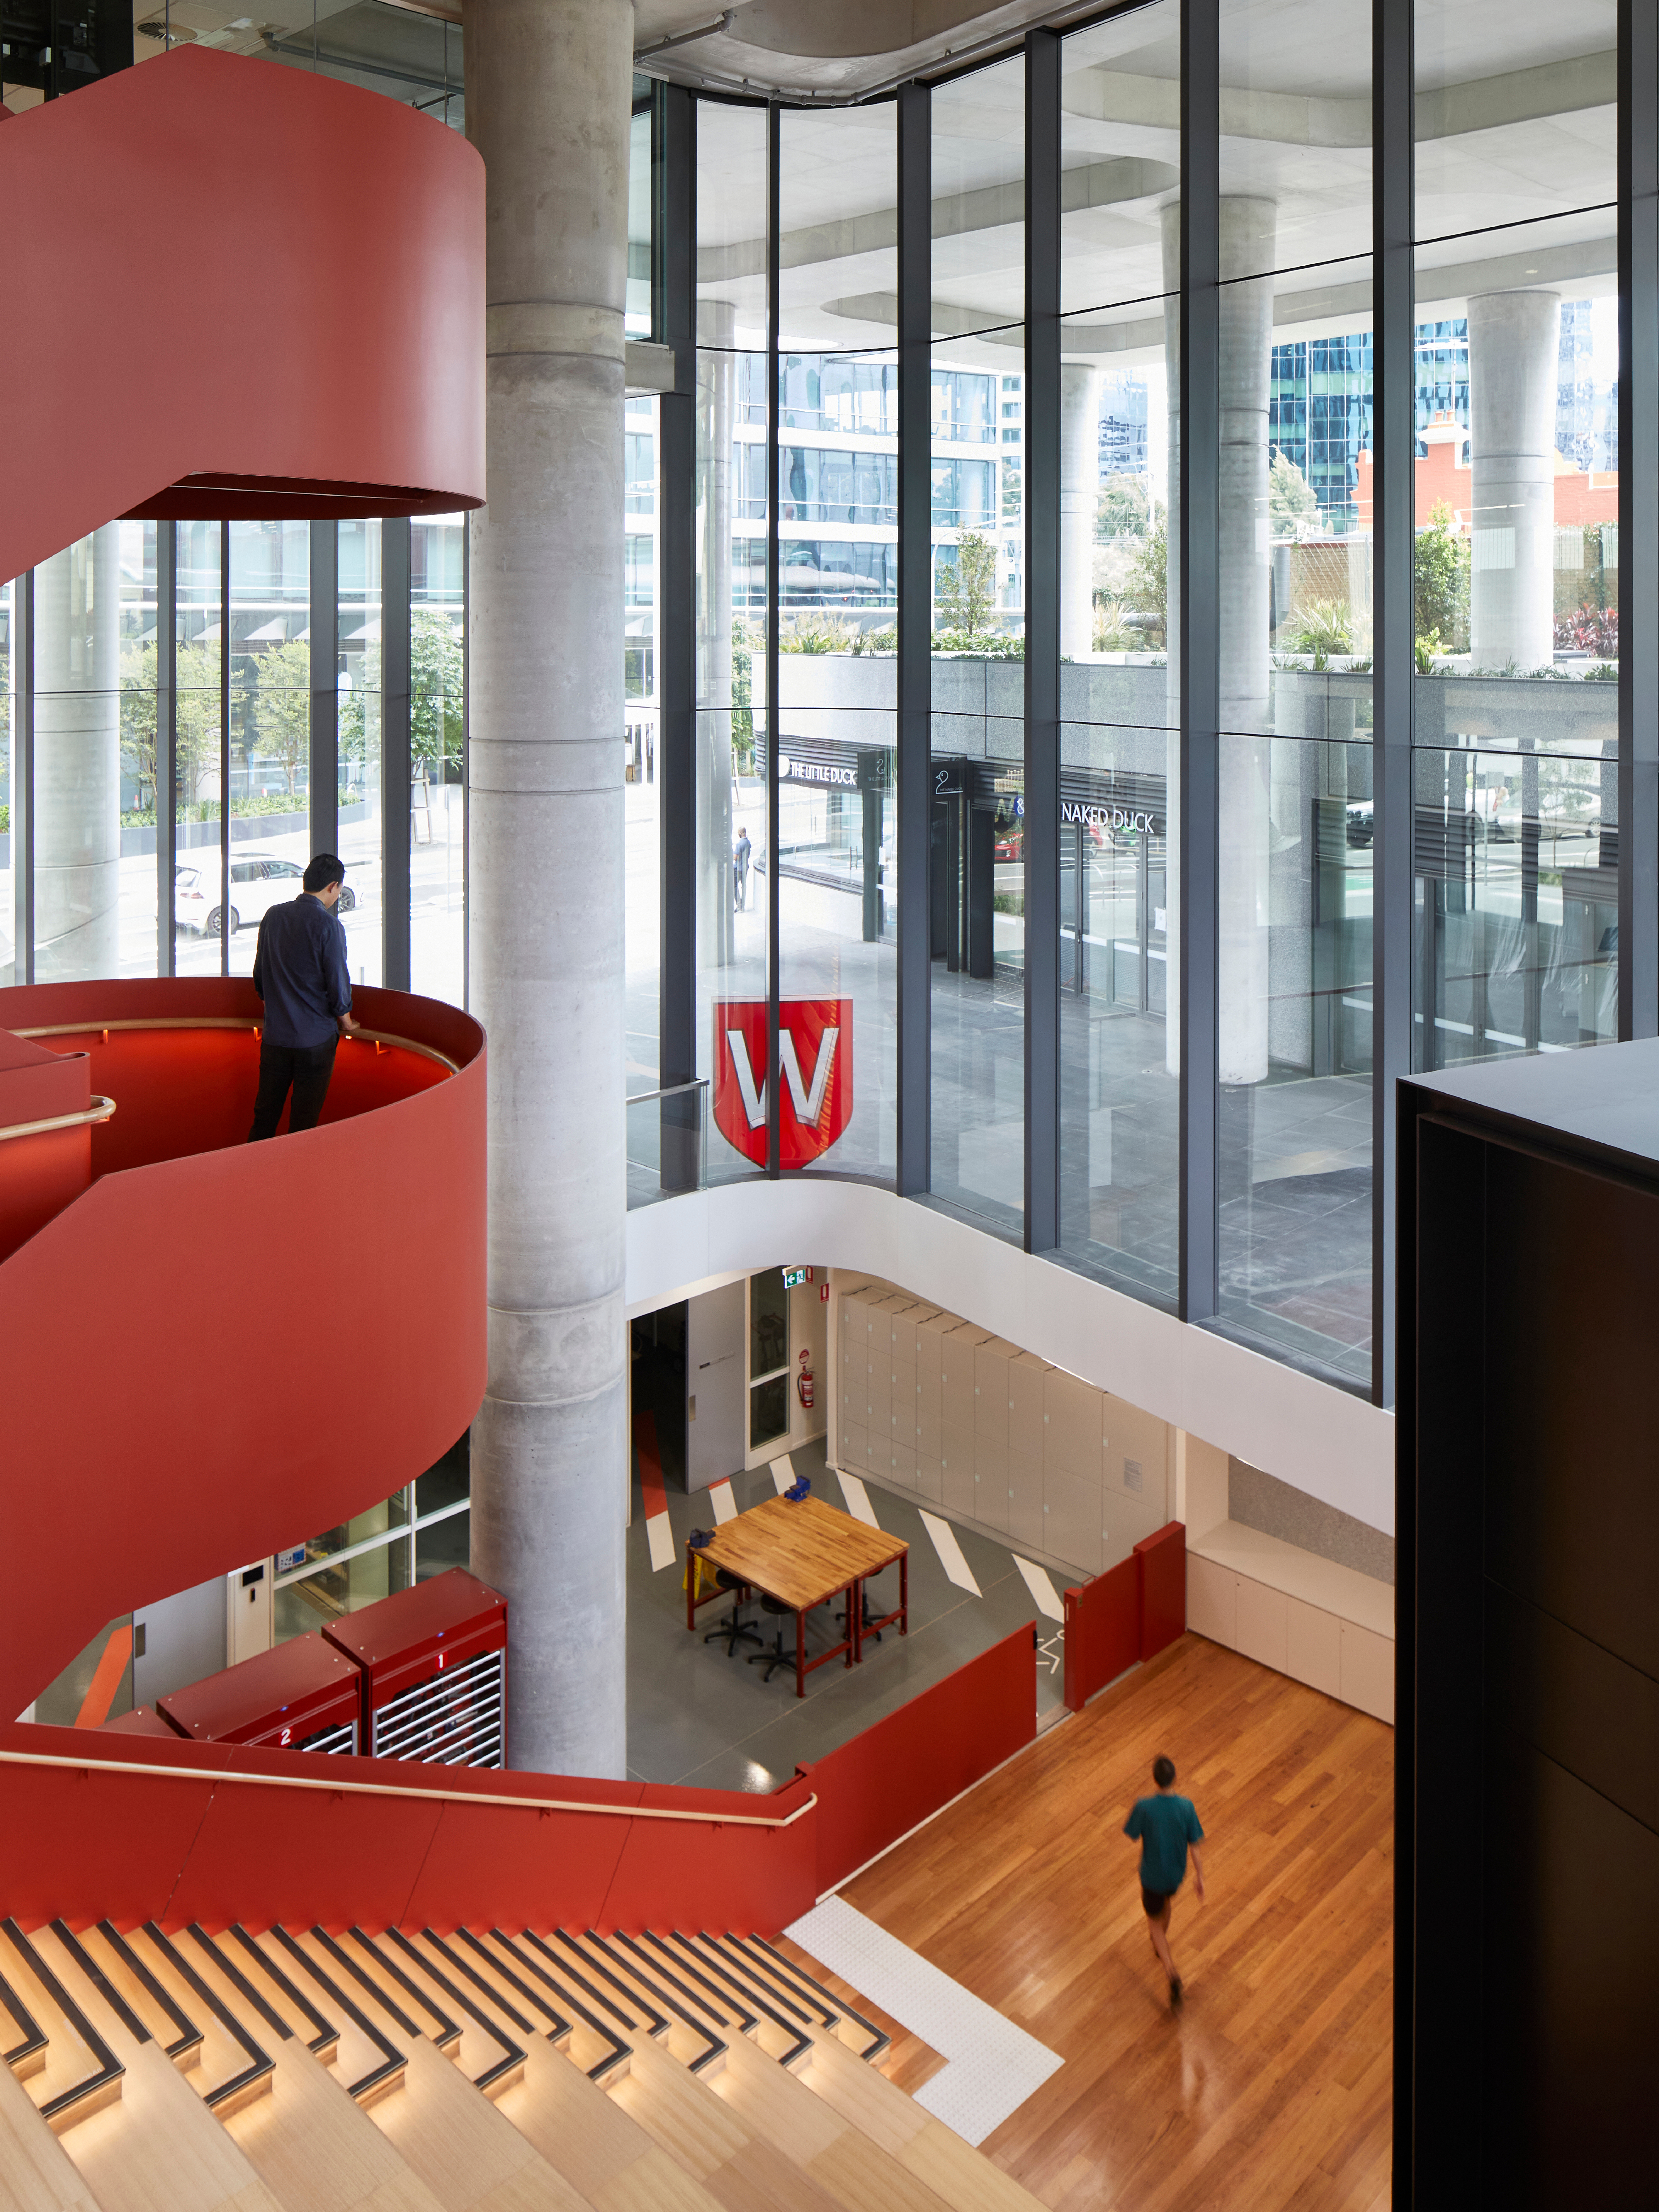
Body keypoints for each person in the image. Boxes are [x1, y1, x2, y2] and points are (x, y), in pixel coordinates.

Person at [247, 853, 359, 1141]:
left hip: (275, 1037)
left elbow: (260, 974)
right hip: (314, 1041)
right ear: (333, 886)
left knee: (265, 1117)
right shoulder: (329, 926)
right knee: (303, 1125)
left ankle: (251, 1179)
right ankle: (292, 1184)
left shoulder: (274, 915)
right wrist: (346, 1020)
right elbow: (337, 980)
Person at [1123, 1754, 1206, 2008]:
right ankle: (1161, 1947)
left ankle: (1171, 1971)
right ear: (1175, 1777)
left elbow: (1132, 1834)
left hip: (1152, 1876)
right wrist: (1200, 1876)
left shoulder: (1144, 1806)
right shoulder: (1187, 1807)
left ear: (1155, 1779)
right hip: (1175, 1876)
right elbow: (1195, 1845)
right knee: (1165, 1903)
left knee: (1154, 1925)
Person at [734, 824, 752, 911]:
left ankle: (739, 905)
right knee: (743, 886)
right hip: (746, 868)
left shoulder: (740, 844)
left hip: (738, 868)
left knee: (734, 886)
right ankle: (743, 905)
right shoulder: (748, 843)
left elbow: (735, 857)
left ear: (740, 834)